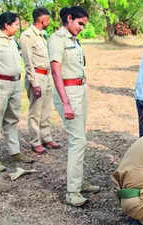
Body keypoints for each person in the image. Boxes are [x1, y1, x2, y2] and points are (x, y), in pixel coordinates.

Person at [48, 6, 99, 207]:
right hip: (68, 94)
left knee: (80, 139)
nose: (82, 28)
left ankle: (78, 182)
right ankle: (72, 192)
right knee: (77, 141)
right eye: (80, 23)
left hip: (79, 90)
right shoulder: (57, 39)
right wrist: (66, 103)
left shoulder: (73, 40)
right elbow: (55, 73)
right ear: (69, 18)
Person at [19, 7, 61, 154]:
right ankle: (35, 141)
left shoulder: (42, 35)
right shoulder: (27, 36)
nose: (49, 21)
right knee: (35, 112)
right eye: (48, 19)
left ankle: (46, 137)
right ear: (41, 19)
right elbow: (28, 62)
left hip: (47, 76)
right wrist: (34, 83)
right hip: (36, 77)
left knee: (46, 110)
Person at [0, 12, 34, 173]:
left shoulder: (12, 40)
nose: (18, 27)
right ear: (6, 25)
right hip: (0, 84)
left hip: (14, 84)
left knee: (12, 119)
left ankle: (15, 152)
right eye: (16, 24)